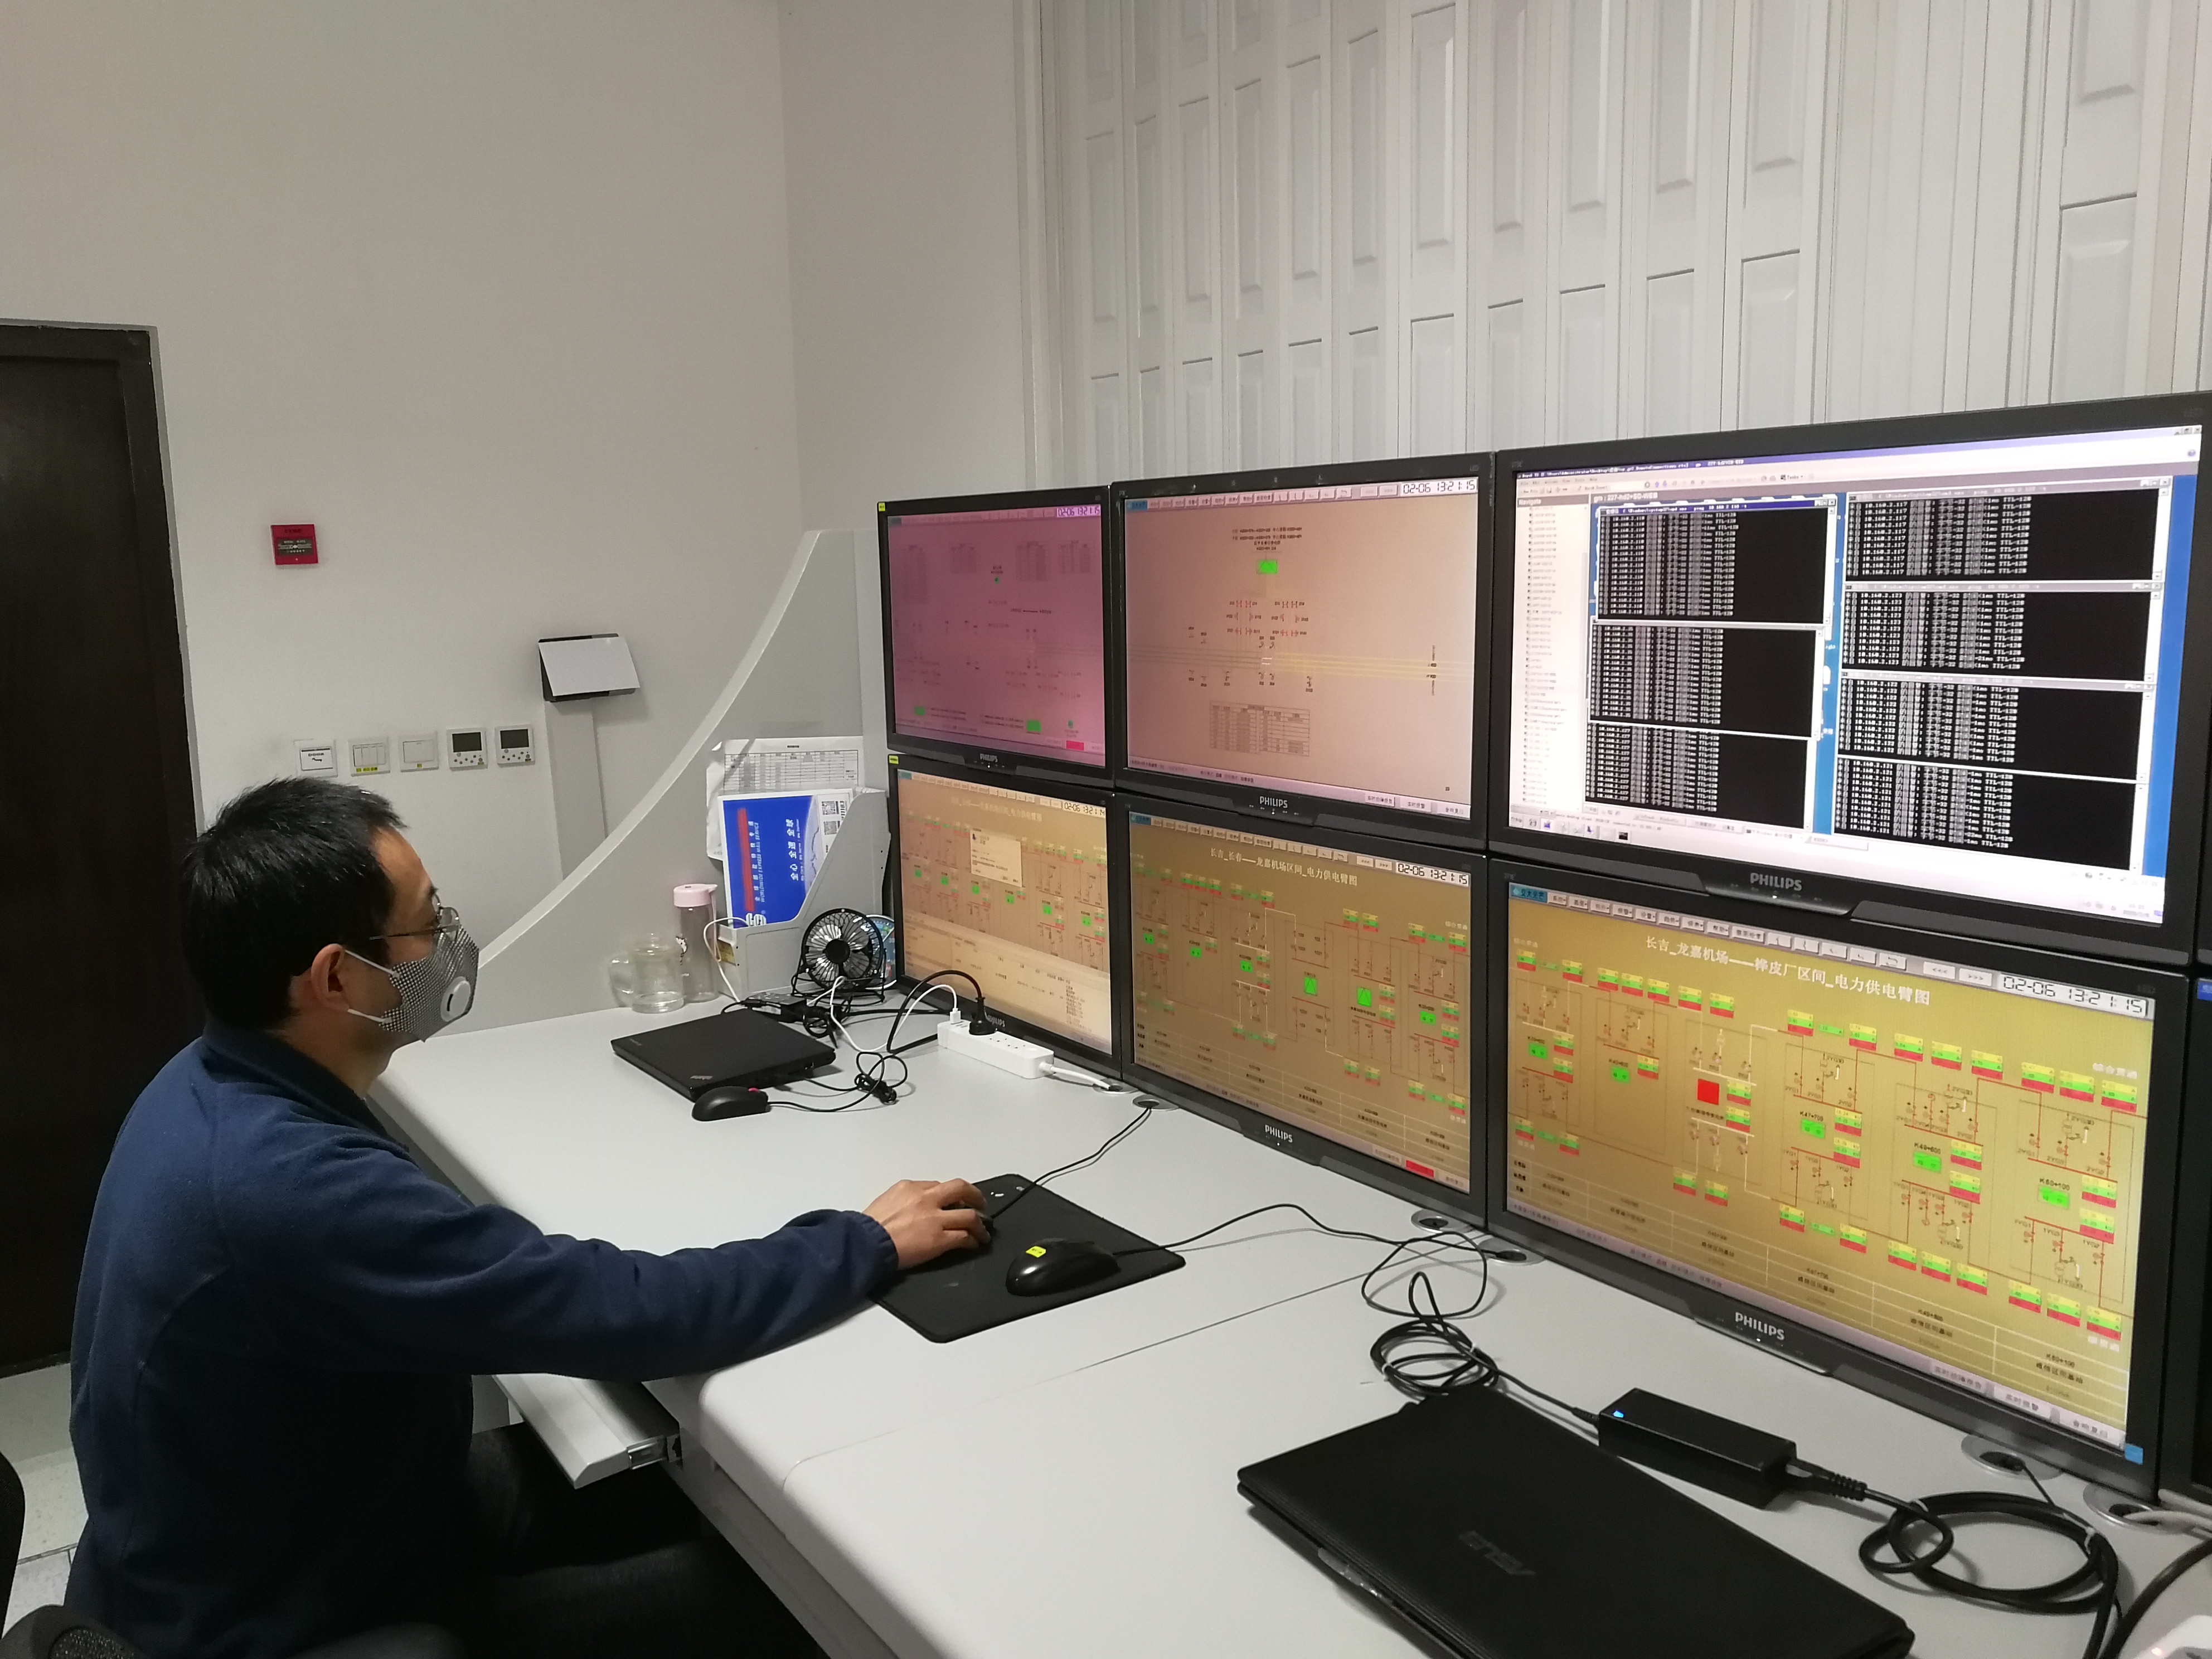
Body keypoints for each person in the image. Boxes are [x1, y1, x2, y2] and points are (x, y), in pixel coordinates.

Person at [67, 778, 989, 1659]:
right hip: (288, 1626)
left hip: (288, 1535)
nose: (450, 941)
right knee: (791, 1607)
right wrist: (864, 1241)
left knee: (696, 1496)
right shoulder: (285, 1186)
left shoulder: (205, 1085)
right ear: (337, 978)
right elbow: (625, 1314)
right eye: (428, 923)